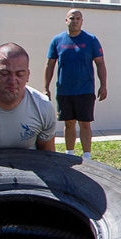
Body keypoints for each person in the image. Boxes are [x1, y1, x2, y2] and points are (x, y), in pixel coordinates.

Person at [44, 9, 107, 159]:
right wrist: (46, 88)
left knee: (85, 123)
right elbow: (50, 65)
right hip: (65, 90)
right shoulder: (57, 40)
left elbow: (100, 64)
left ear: (82, 21)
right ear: (66, 20)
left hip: (85, 90)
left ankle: (87, 156)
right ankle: (69, 154)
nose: (75, 21)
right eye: (72, 18)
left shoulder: (91, 40)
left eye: (78, 18)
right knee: (69, 123)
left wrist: (103, 85)